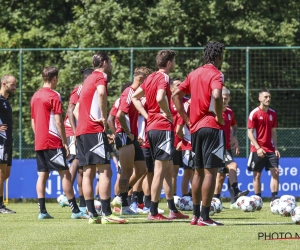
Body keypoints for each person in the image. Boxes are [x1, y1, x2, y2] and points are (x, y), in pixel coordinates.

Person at [172, 41, 225, 226]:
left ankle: (195, 216)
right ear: (219, 57)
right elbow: (217, 96)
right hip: (211, 126)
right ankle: (205, 217)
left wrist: (187, 120)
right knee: (211, 172)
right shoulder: (216, 74)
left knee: (197, 172)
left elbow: (175, 95)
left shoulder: (194, 73)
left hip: (195, 129)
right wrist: (219, 116)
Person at [132, 50, 188, 220]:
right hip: (162, 127)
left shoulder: (150, 78)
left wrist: (147, 115)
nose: (175, 64)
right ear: (169, 63)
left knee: (169, 169)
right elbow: (159, 97)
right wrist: (167, 113)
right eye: (174, 61)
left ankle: (172, 209)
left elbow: (135, 97)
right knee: (159, 170)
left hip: (152, 127)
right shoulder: (164, 78)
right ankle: (153, 211)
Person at [30, 66, 89, 220]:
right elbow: (58, 122)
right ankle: (75, 210)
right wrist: (64, 142)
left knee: (42, 174)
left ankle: (42, 211)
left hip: (39, 141)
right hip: (53, 141)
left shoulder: (35, 96)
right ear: (54, 78)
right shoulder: (54, 95)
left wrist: (38, 138)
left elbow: (33, 121)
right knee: (66, 175)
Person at [75, 52, 125, 224]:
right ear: (104, 63)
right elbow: (102, 94)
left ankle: (92, 215)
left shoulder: (87, 79)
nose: (111, 65)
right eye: (109, 62)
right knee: (106, 170)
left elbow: (77, 109)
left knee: (88, 172)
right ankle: (106, 213)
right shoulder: (100, 76)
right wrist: (103, 117)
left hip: (81, 131)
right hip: (93, 129)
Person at [113, 67, 149, 215]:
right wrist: (128, 132)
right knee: (126, 171)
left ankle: (119, 198)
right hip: (124, 135)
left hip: (132, 136)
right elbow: (120, 115)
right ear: (140, 79)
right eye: (147, 80)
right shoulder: (129, 92)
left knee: (141, 169)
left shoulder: (137, 95)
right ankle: (123, 203)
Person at [60, 68, 94, 212]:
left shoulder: (89, 90)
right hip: (72, 130)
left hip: (82, 130)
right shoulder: (79, 89)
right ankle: (65, 195)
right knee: (76, 160)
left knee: (82, 168)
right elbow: (70, 110)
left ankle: (82, 204)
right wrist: (75, 132)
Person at [213, 87, 249, 206]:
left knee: (221, 176)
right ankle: (236, 191)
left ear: (229, 99)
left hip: (226, 147)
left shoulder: (229, 112)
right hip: (216, 147)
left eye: (226, 99)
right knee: (232, 165)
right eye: (222, 98)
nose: (223, 101)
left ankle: (215, 200)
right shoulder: (213, 111)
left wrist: (234, 137)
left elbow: (234, 125)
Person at [247, 89, 280, 201]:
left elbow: (274, 132)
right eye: (265, 97)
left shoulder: (273, 113)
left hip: (270, 149)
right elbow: (249, 133)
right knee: (257, 175)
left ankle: (274, 199)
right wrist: (258, 148)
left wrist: (276, 148)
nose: (268, 99)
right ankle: (258, 200)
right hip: (257, 149)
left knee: (275, 172)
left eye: (269, 97)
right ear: (259, 98)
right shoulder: (254, 113)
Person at [0, 74, 17, 214]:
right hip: (1, 141)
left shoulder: (5, 100)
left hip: (8, 141)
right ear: (4, 84)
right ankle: (0, 206)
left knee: (6, 174)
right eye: (12, 84)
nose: (14, 87)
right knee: (1, 174)